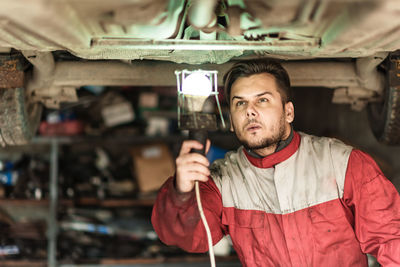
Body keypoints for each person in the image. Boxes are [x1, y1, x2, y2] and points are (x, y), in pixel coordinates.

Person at [151, 59, 400, 267]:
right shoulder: (221, 183)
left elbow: (391, 238)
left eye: (262, 100)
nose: (250, 111)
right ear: (231, 120)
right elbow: (185, 237)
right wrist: (182, 191)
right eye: (240, 103)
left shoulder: (343, 163)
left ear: (289, 112)